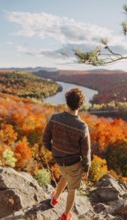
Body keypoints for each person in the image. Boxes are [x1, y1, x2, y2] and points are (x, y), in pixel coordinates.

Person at [42, 87, 91, 220]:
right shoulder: (82, 126)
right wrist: (86, 167)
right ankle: (65, 215)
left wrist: (54, 150)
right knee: (72, 189)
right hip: (74, 163)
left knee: (65, 175)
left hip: (59, 160)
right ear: (80, 105)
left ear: (67, 102)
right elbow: (86, 152)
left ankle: (54, 199)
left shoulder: (55, 118)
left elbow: (45, 139)